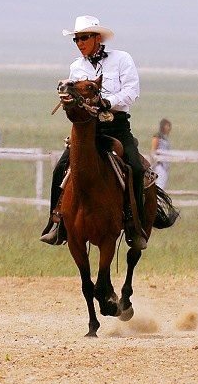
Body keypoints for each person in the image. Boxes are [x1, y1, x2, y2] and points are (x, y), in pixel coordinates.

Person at [40, 14, 148, 251]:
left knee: (137, 168)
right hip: (87, 130)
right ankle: (56, 223)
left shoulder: (122, 59)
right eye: (76, 39)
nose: (80, 43)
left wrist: (108, 102)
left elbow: (132, 91)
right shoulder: (75, 68)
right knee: (61, 168)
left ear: (97, 38)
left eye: (84, 38)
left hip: (116, 126)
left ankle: (134, 224)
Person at [151, 118, 172, 190]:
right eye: (167, 126)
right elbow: (154, 150)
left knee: (163, 183)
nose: (168, 128)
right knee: (160, 184)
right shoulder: (157, 137)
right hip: (159, 164)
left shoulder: (166, 138)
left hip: (165, 164)